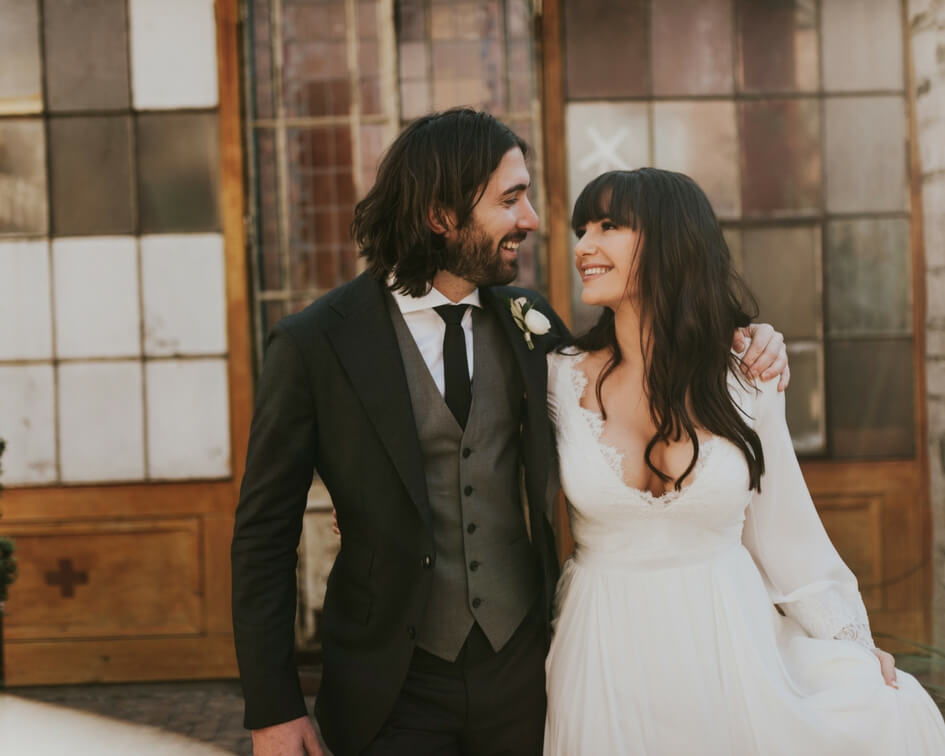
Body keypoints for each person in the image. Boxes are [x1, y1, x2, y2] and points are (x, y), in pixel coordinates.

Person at [231, 110, 788, 756]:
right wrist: (272, 708)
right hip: (390, 684)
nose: (529, 220)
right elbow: (263, 537)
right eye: (510, 199)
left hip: (525, 674)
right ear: (441, 215)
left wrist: (743, 339)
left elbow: (637, 369)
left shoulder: (531, 326)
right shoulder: (314, 344)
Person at [543, 167, 945, 754]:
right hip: (603, 652)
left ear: (670, 240)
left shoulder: (747, 375)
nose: (584, 246)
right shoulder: (556, 376)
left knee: (891, 709)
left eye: (609, 226)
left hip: (732, 650)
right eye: (582, 229)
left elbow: (787, 531)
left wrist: (854, 645)